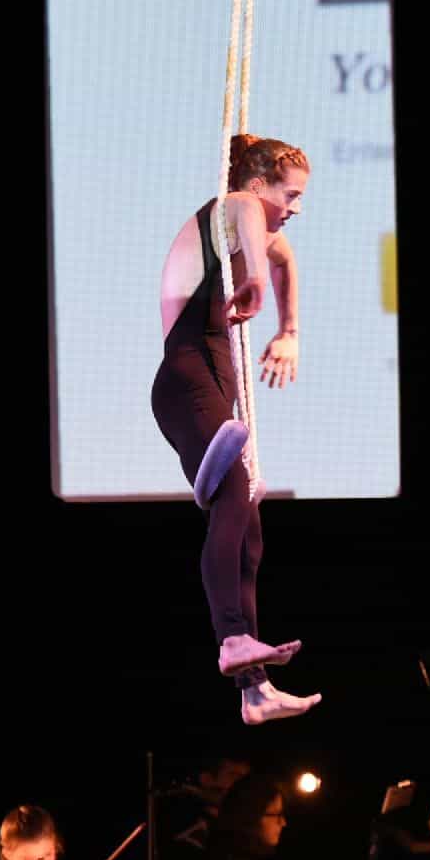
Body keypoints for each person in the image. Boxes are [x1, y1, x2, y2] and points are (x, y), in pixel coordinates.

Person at [152, 132, 321, 724]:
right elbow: (251, 215)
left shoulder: (249, 229)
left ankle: (254, 691)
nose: (295, 208)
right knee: (232, 493)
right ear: (257, 183)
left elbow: (283, 254)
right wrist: (256, 280)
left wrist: (289, 331)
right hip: (186, 382)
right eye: (290, 195)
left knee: (248, 528)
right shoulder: (235, 207)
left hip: (206, 386)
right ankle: (232, 639)